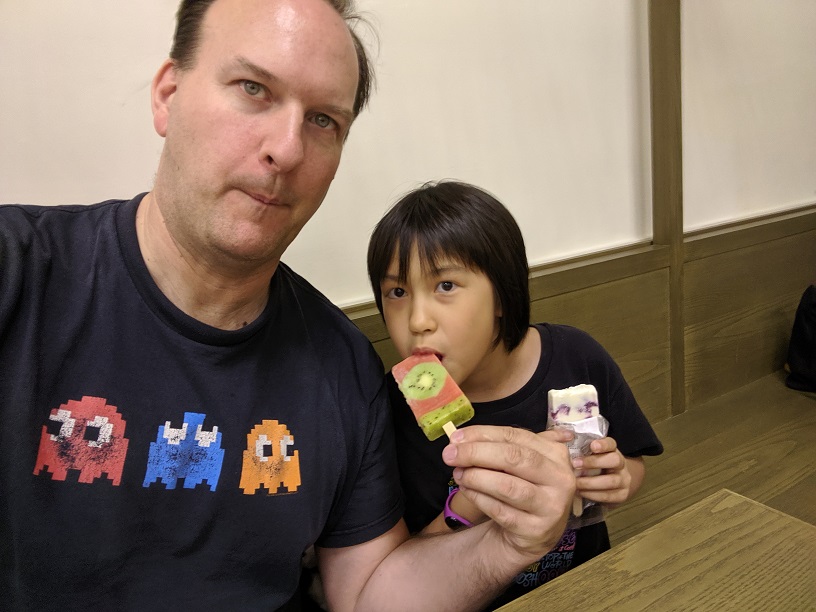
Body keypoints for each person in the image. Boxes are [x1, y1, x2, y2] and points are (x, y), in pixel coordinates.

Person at [0, 1, 578, 610]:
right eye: (253, 89)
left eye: (324, 120)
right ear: (168, 95)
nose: (287, 149)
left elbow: (366, 596)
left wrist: (507, 544)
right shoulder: (20, 273)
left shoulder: (345, 368)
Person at [367, 180, 664, 610]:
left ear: (503, 294)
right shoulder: (389, 411)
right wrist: (465, 509)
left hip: (585, 589)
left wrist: (617, 480)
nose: (417, 320)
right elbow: (397, 569)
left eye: (445, 285)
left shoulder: (577, 356)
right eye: (397, 292)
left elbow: (633, 464)